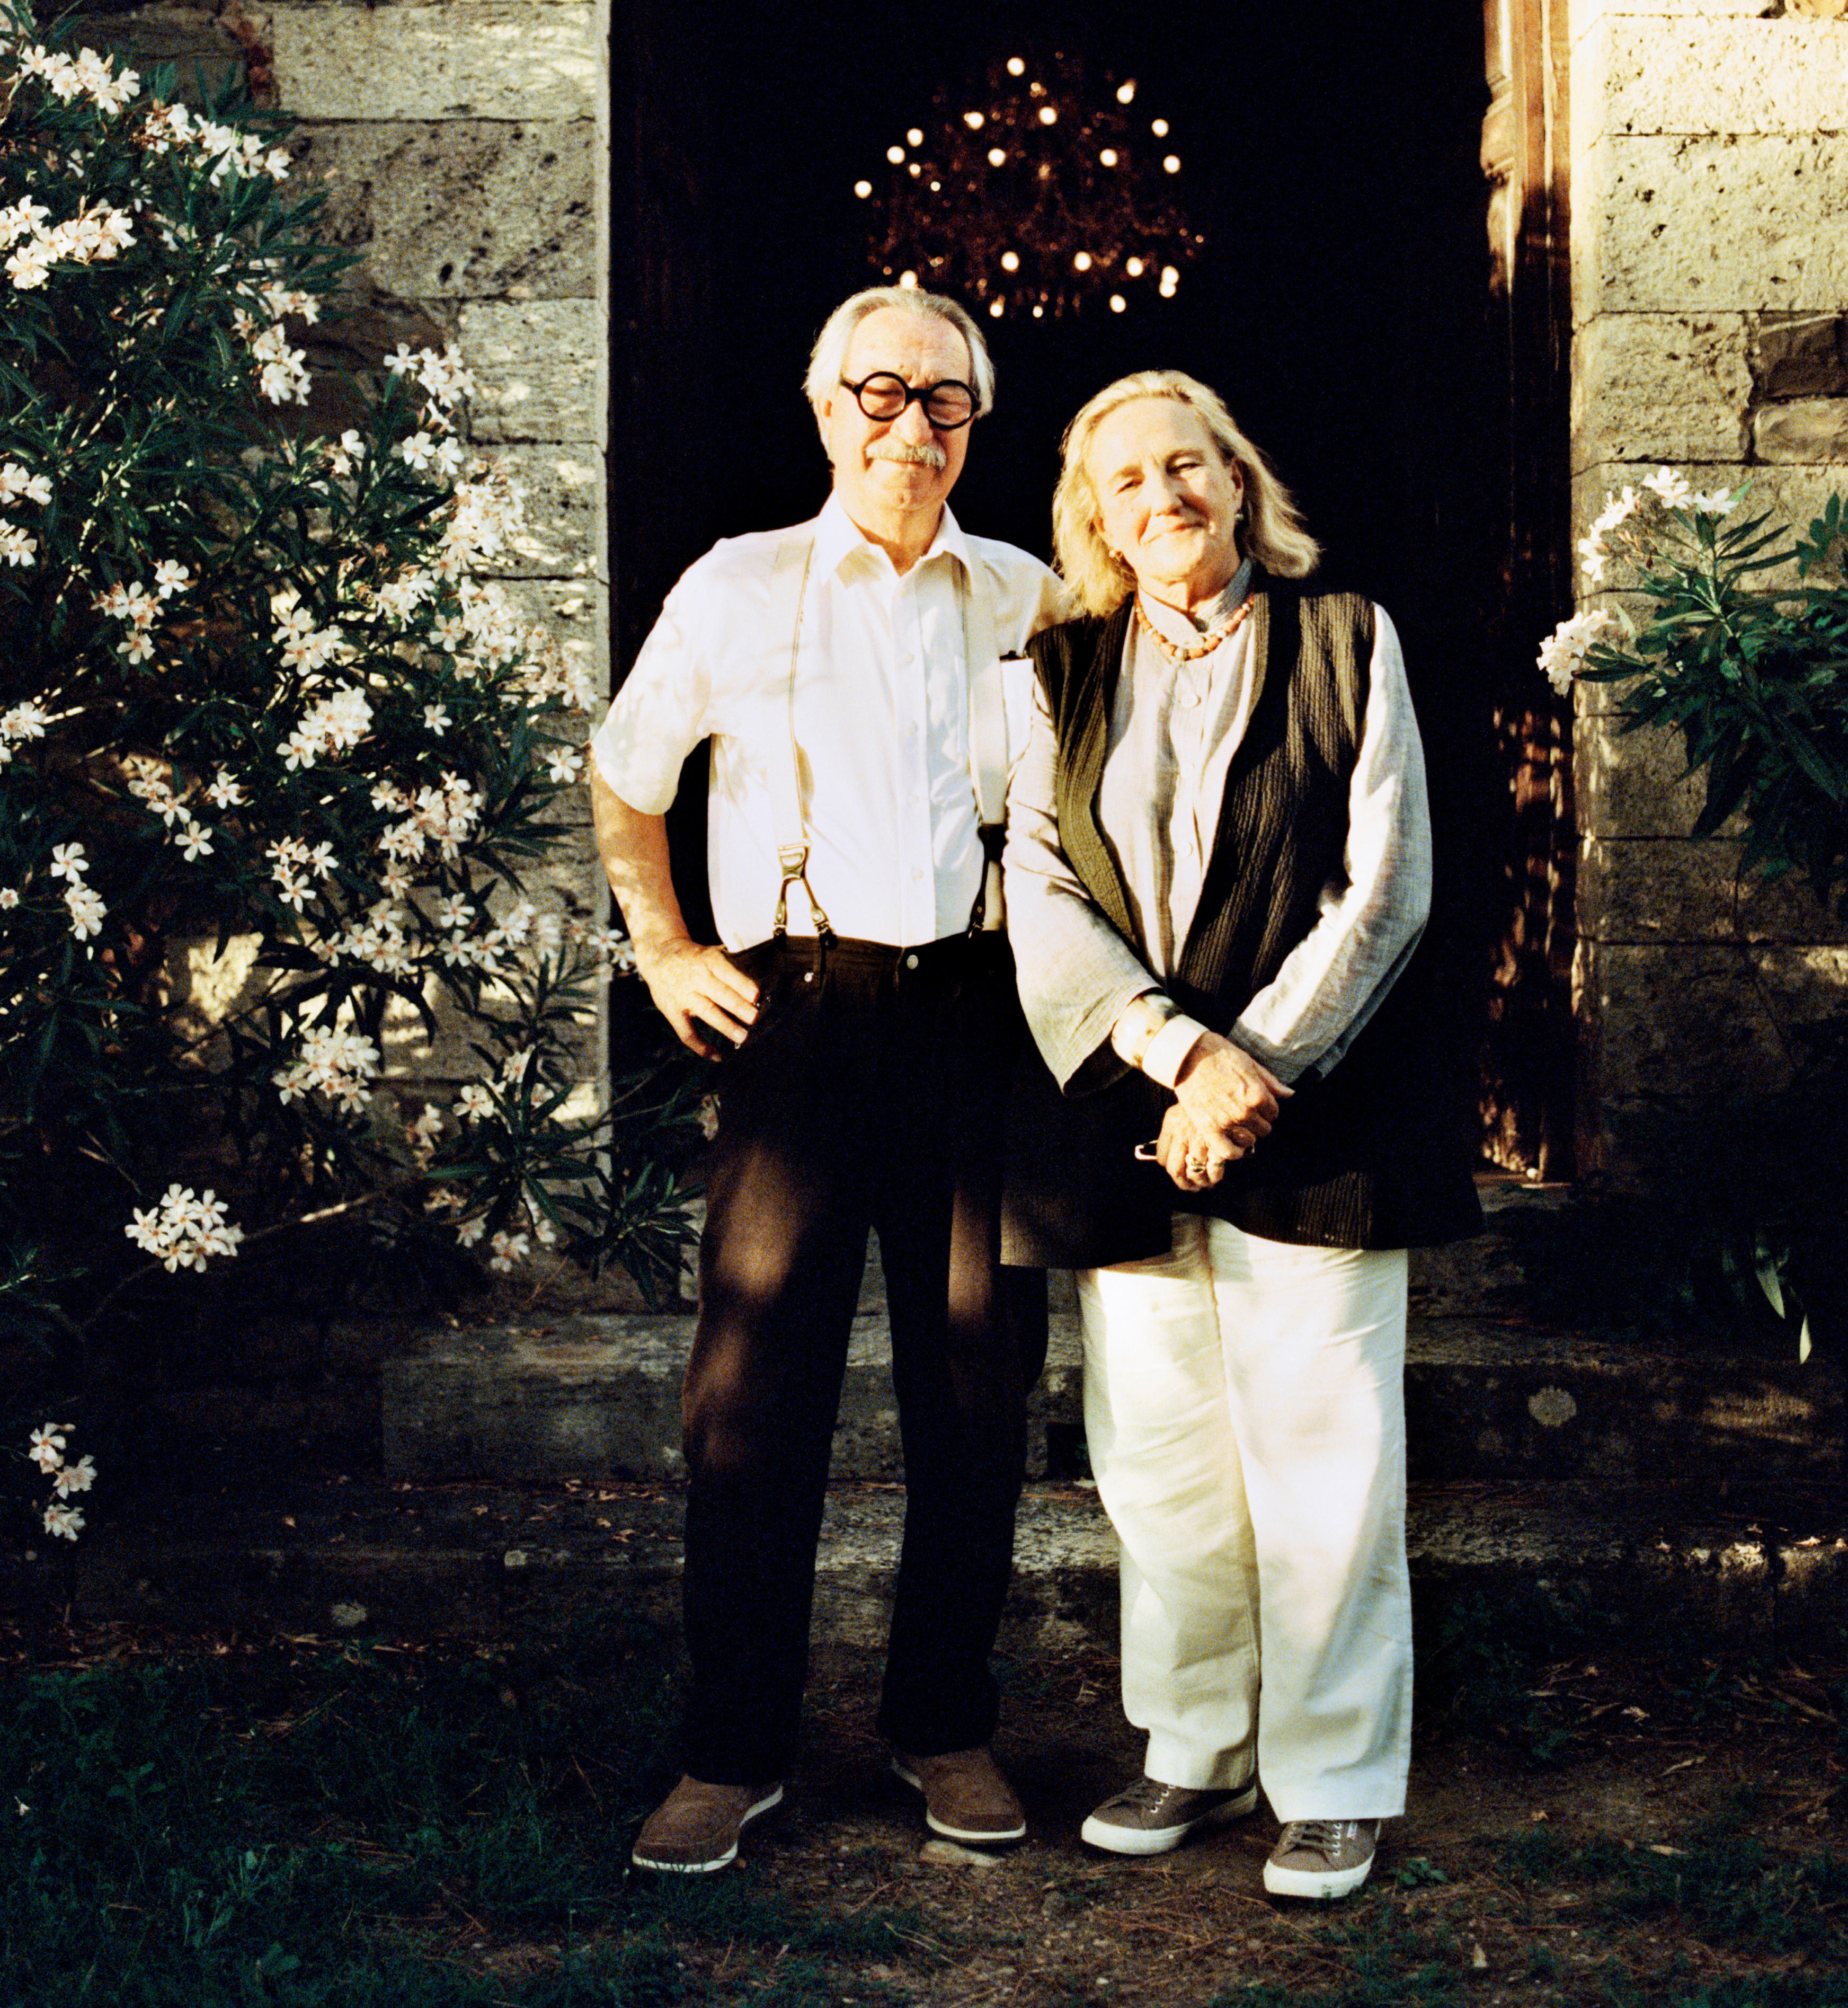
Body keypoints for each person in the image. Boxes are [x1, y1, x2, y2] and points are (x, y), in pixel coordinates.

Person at [591, 284, 1069, 1876]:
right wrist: (662, 946)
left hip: (979, 1021)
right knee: (748, 1399)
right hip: (799, 1018)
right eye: (880, 393)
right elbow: (625, 775)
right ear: (825, 411)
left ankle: (944, 1723)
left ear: (972, 428)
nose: (910, 427)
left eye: (945, 403)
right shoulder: (740, 587)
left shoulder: (1033, 595)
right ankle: (732, 1751)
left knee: (976, 1389)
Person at [1002, 368, 1480, 1902]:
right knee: (1159, 1456)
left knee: (1325, 1449)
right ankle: (1196, 1744)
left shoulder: (1347, 636)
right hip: (1133, 1109)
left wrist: (1254, 1066)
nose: (1165, 498)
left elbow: (1387, 879)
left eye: (1189, 466)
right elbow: (1038, 885)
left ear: (1237, 479)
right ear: (1096, 518)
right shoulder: (1059, 663)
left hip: (1314, 1112)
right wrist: (1174, 1055)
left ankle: (1334, 1775)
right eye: (1128, 480)